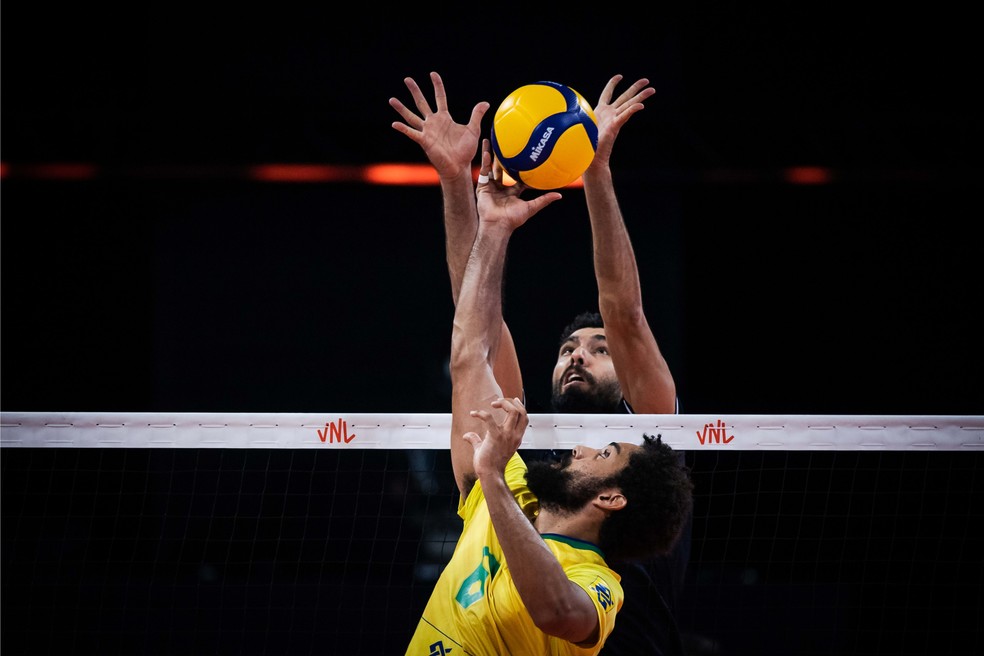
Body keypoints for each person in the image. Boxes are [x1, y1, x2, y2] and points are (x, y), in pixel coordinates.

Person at [390, 72, 695, 654]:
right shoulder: (523, 476)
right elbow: (474, 332)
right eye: (567, 349)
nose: (579, 352)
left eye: (598, 349)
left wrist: (595, 170)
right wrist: (458, 184)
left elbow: (624, 311)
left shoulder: (650, 438)